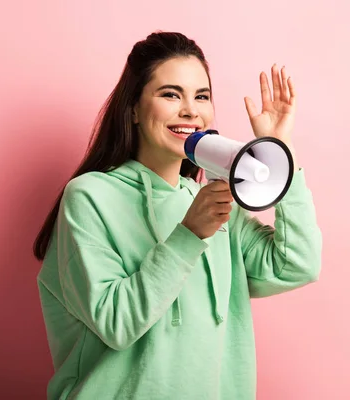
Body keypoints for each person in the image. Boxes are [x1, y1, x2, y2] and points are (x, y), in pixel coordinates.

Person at [33, 31, 322, 400]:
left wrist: (283, 152)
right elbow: (116, 323)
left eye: (201, 96)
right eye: (171, 94)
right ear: (134, 108)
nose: (191, 110)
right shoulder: (90, 197)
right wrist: (189, 233)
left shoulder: (214, 205)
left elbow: (298, 265)